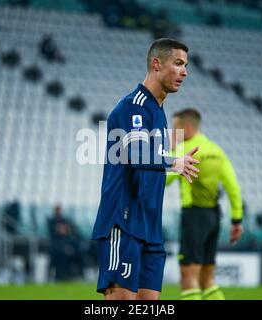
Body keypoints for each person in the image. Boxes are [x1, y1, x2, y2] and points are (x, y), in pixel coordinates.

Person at [91, 38, 200, 300]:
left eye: (185, 65)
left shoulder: (158, 112)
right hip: (124, 221)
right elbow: (137, 154)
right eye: (178, 63)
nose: (184, 71)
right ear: (156, 64)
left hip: (150, 226)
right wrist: (174, 161)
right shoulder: (134, 105)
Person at [166, 108, 243, 300]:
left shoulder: (184, 150)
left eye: (175, 128)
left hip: (193, 217)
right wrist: (237, 219)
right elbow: (232, 186)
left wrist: (168, 154)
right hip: (214, 217)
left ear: (188, 127)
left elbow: (164, 180)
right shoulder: (216, 150)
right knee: (207, 280)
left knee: (188, 278)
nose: (173, 133)